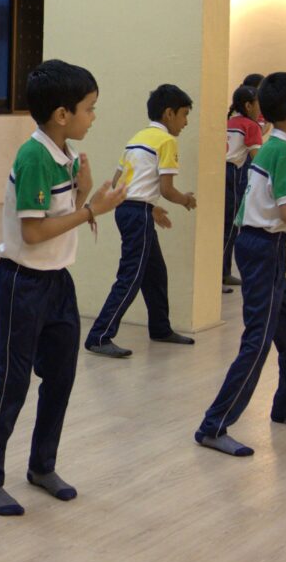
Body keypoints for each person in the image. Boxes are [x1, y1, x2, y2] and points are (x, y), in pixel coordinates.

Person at [0, 61, 129, 515]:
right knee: (13, 380)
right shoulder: (34, 156)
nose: (93, 117)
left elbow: (57, 218)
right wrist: (92, 210)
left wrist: (84, 194)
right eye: (89, 108)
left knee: (61, 377)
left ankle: (42, 466)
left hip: (58, 281)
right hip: (22, 282)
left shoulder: (63, 154)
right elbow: (34, 233)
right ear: (63, 114)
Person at [192, 71, 286, 458]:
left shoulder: (272, 146)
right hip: (264, 248)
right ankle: (213, 425)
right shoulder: (283, 151)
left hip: (261, 246)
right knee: (258, 340)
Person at [85, 83, 200, 358]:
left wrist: (150, 208)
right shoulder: (167, 141)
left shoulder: (137, 137)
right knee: (131, 275)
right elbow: (167, 189)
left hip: (129, 209)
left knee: (155, 272)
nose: (186, 122)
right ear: (169, 113)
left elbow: (119, 180)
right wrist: (185, 199)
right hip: (137, 214)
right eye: (184, 115)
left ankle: (160, 328)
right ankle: (99, 335)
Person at [223, 79, 265, 289]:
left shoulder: (229, 122)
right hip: (234, 174)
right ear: (248, 105)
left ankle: (220, 272)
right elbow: (257, 158)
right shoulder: (251, 126)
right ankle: (222, 273)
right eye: (259, 104)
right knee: (230, 227)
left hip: (219, 173)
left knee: (221, 225)